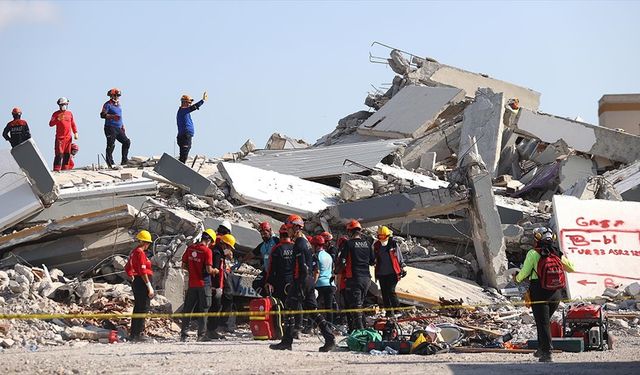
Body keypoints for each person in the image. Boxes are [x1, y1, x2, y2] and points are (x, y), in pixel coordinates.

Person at [270, 214, 335, 352]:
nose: (287, 231)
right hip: (309, 280)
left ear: (295, 227)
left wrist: (299, 285)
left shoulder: (299, 243)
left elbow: (303, 266)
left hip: (301, 280)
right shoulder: (305, 242)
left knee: (289, 309)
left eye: (288, 228)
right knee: (312, 311)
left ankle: (287, 342)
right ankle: (329, 338)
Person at [514, 227, 575, 363]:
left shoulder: (533, 253)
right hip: (556, 294)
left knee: (542, 323)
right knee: (544, 322)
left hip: (539, 292)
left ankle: (547, 353)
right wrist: (563, 256)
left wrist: (516, 278)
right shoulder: (556, 253)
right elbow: (572, 268)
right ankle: (541, 348)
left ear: (537, 238)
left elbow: (524, 272)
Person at [336, 219, 375, 333]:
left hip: (354, 278)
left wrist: (337, 271)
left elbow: (342, 261)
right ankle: (360, 330)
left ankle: (360, 333)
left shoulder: (349, 244)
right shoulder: (368, 244)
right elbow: (373, 261)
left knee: (355, 306)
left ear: (350, 231)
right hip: (366, 279)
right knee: (360, 305)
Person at [180, 229, 216, 341]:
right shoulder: (207, 251)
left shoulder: (190, 248)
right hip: (204, 284)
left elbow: (183, 265)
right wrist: (216, 271)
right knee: (204, 310)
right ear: (209, 240)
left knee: (188, 309)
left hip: (192, 284)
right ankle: (201, 335)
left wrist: (193, 270)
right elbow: (209, 270)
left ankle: (184, 335)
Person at [124, 230, 155, 341]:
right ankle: (139, 334)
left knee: (138, 307)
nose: (148, 245)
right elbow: (143, 271)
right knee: (143, 308)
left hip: (137, 281)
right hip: (142, 283)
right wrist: (149, 286)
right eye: (148, 243)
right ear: (145, 242)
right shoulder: (140, 253)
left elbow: (127, 268)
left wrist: (132, 276)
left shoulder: (133, 252)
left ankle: (134, 333)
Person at [206, 233, 236, 340]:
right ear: (225, 245)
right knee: (215, 307)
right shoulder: (217, 253)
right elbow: (216, 270)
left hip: (218, 284)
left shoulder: (218, 252)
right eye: (229, 247)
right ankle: (211, 331)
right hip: (216, 285)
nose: (230, 250)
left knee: (215, 306)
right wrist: (216, 287)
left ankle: (211, 330)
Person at [373, 226, 406, 317]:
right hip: (382, 273)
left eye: (384, 237)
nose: (382, 239)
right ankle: (388, 312)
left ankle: (397, 310)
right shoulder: (377, 245)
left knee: (391, 291)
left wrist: (402, 267)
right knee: (384, 292)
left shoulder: (393, 244)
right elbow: (374, 258)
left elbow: (399, 256)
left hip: (393, 272)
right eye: (380, 237)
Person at [100, 88, 130, 168]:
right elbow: (102, 115)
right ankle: (110, 162)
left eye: (118, 96)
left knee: (126, 142)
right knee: (111, 144)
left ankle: (124, 161)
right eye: (116, 96)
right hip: (110, 127)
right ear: (112, 96)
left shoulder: (119, 105)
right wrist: (112, 116)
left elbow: (120, 116)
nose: (117, 97)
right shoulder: (107, 104)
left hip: (118, 128)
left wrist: (122, 126)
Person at [265, 224, 295, 301]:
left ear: (280, 234)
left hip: (280, 281)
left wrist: (269, 282)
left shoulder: (277, 249)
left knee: (280, 304)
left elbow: (271, 267)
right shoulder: (295, 247)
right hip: (294, 280)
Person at [176, 92, 207, 163]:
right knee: (183, 155)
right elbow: (193, 107)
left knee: (185, 154)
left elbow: (192, 107)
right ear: (184, 102)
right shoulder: (183, 111)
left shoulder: (185, 112)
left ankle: (180, 167)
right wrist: (202, 101)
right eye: (189, 102)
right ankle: (178, 169)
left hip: (186, 136)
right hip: (184, 136)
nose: (190, 104)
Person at [49, 97, 78, 171]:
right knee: (59, 154)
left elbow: (73, 124)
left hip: (68, 138)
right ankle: (56, 169)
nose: (64, 106)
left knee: (67, 154)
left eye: (65, 104)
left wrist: (75, 132)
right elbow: (51, 124)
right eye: (62, 105)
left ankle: (65, 169)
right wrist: (57, 119)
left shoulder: (69, 113)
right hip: (60, 138)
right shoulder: (56, 114)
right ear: (59, 105)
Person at [312, 235, 335, 324]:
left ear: (317, 245)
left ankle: (311, 326)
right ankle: (330, 326)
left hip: (320, 284)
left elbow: (316, 271)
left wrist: (313, 284)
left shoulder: (316, 256)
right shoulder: (329, 256)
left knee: (314, 306)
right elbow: (333, 269)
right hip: (330, 284)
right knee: (329, 307)